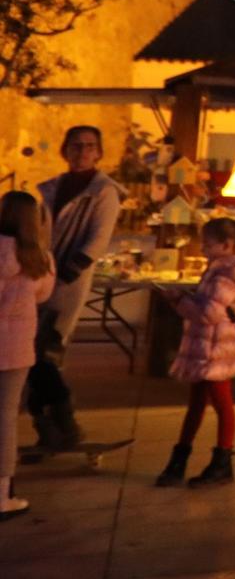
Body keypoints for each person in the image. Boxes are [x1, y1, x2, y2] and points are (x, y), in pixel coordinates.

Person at [28, 125, 124, 452]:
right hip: (39, 278)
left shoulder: (103, 191)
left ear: (98, 152)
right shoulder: (55, 187)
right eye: (76, 146)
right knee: (29, 354)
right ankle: (48, 430)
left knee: (45, 353)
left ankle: (65, 425)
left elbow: (97, 240)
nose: (82, 152)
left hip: (65, 282)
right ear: (65, 150)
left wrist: (64, 274)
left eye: (89, 146)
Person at [156, 216, 235, 489]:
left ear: (227, 245)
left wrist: (177, 299)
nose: (202, 248)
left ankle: (221, 461)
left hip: (215, 348)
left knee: (221, 402)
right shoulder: (222, 270)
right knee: (197, 402)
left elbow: (208, 313)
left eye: (207, 243)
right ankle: (180, 458)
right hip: (207, 345)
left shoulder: (226, 275)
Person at [0, 191, 55, 517]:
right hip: (17, 346)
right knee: (5, 417)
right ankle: (3, 490)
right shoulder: (40, 258)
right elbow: (43, 294)